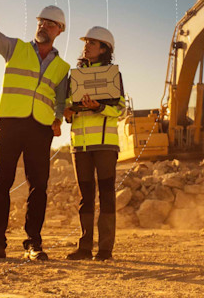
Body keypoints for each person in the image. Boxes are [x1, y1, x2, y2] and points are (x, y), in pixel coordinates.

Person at [0, 0, 70, 262]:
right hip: (11, 123)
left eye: (51, 24)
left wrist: (58, 119)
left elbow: (61, 100)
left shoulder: (62, 67)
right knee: (0, 183)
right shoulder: (16, 48)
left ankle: (33, 244)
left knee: (39, 186)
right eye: (41, 22)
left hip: (40, 128)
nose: (44, 27)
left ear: (59, 30)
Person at [63, 26, 125, 261]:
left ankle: (106, 250)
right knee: (85, 198)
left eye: (92, 42)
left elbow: (121, 110)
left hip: (105, 146)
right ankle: (84, 248)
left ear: (104, 49)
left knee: (107, 195)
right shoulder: (75, 76)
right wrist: (68, 111)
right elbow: (68, 108)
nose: (86, 46)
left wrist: (98, 107)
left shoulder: (113, 76)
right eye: (86, 42)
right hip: (80, 146)